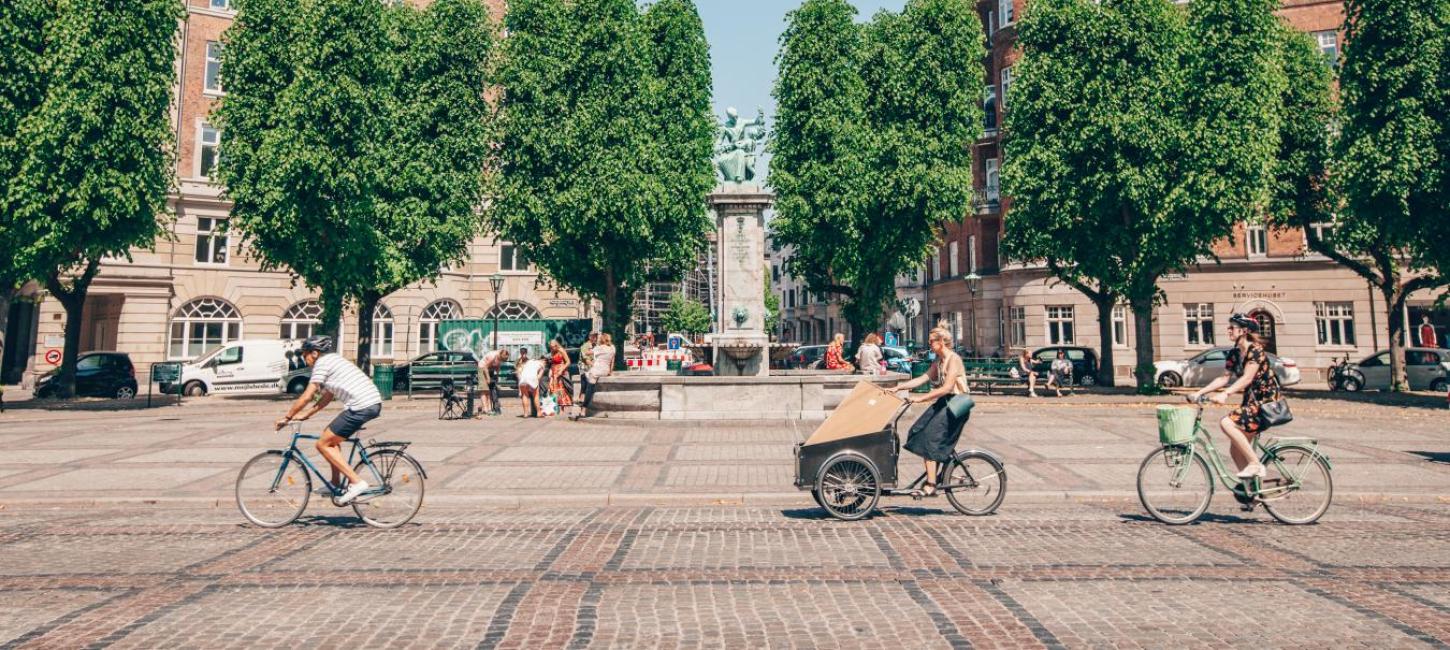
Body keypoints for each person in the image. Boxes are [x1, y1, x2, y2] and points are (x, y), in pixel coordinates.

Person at [274, 336, 381, 505]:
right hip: (369, 404)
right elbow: (327, 396)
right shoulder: (334, 360)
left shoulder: (322, 364)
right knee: (331, 439)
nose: (305, 360)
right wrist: (306, 414)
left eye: (305, 356)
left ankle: (357, 482)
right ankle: (336, 483)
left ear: (314, 353)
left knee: (322, 444)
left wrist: (287, 417)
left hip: (361, 406)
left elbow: (308, 395)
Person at [1190, 313, 1285, 480]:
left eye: (1232, 327)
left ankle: (1255, 464)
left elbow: (1247, 377)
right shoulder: (1234, 353)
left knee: (1226, 423)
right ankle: (1253, 493)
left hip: (1265, 402)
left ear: (1244, 330)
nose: (1229, 330)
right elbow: (1224, 378)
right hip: (1251, 402)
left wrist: (1225, 394)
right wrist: (1200, 392)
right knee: (1235, 450)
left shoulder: (1255, 350)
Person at [892, 328, 968, 497]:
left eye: (931, 342)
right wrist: (900, 387)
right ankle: (942, 469)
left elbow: (947, 387)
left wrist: (921, 399)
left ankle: (931, 484)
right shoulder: (939, 361)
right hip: (945, 402)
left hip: (956, 405)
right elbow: (923, 378)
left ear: (941, 342)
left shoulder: (953, 359)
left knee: (930, 440)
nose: (930, 345)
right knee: (917, 430)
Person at [573, 332, 615, 420]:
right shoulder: (612, 348)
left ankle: (583, 408)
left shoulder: (599, 348)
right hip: (606, 370)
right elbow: (612, 362)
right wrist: (610, 372)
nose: (597, 339)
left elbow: (587, 353)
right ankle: (582, 397)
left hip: (597, 369)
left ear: (602, 339)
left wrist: (587, 350)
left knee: (588, 383)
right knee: (586, 376)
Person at [474, 348, 509, 417]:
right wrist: (488, 378)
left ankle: (489, 408)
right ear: (500, 355)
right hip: (482, 368)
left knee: (490, 390)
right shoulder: (492, 356)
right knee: (484, 389)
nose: (502, 361)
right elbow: (485, 367)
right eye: (502, 359)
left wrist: (497, 376)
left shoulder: (500, 357)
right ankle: (485, 409)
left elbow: (498, 366)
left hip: (490, 369)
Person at [515, 348, 545, 417]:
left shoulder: (525, 363)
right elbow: (541, 373)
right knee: (536, 396)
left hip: (523, 379)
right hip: (532, 378)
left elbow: (518, 373)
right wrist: (538, 378)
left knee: (525, 396)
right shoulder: (540, 363)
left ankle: (525, 413)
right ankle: (539, 412)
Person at [548, 339, 573, 416]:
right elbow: (552, 362)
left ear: (556, 345)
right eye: (551, 347)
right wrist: (550, 371)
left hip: (560, 371)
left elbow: (568, 362)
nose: (552, 348)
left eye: (553, 347)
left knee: (561, 390)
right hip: (554, 371)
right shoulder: (552, 351)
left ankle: (562, 409)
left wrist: (561, 369)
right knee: (552, 389)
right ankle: (555, 408)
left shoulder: (561, 350)